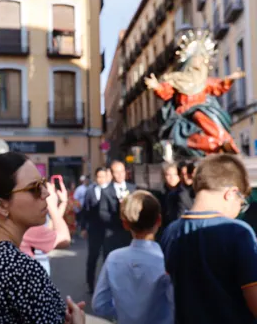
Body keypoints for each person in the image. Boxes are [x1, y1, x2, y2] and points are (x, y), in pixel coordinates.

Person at [0, 152, 85, 324]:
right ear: (2, 206)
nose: (46, 193)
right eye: (34, 188)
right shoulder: (21, 270)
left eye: (43, 183)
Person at [161, 154, 257, 324]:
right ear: (231, 193)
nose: (239, 210)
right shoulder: (237, 232)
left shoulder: (171, 232)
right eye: (241, 202)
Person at [145, 28, 243, 157]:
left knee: (207, 116)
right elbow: (166, 92)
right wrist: (156, 86)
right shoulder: (177, 80)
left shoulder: (203, 81)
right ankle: (217, 142)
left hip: (202, 109)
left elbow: (217, 86)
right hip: (184, 113)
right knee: (198, 115)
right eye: (199, 59)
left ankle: (221, 141)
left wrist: (230, 79)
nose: (202, 63)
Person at [92, 190, 174, 324]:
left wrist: (123, 312)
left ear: (125, 224)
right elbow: (176, 304)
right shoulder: (165, 260)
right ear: (159, 220)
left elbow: (99, 305)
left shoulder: (114, 258)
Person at [99, 161, 136, 259]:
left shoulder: (133, 188)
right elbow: (103, 212)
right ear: (111, 173)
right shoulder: (106, 191)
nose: (120, 175)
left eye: (122, 171)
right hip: (113, 234)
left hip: (131, 234)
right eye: (117, 172)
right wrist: (119, 219)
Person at [81, 167, 109, 293]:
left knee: (108, 258)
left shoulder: (112, 190)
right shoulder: (90, 191)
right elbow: (85, 210)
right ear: (96, 178)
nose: (101, 179)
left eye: (104, 176)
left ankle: (109, 286)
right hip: (94, 230)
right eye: (99, 177)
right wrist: (83, 227)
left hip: (109, 231)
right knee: (92, 258)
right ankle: (91, 285)